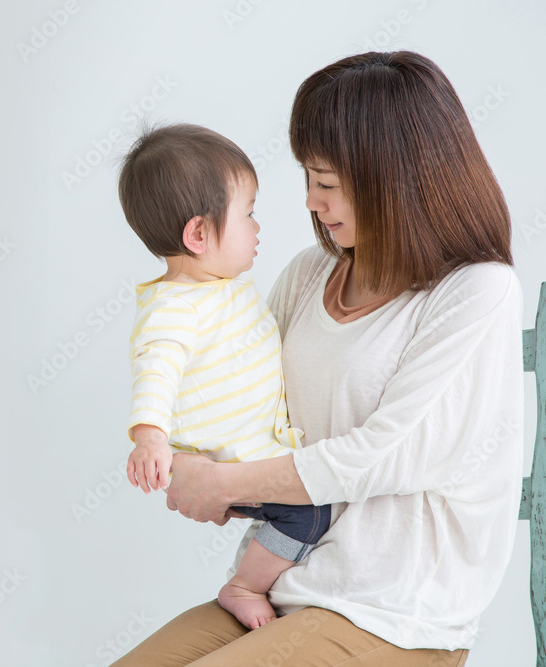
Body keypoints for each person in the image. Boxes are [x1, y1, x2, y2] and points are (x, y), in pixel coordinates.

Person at [111, 51, 524, 666]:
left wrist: (222, 483)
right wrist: (188, 459)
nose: (309, 201)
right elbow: (243, 393)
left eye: (326, 183)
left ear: (394, 177)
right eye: (307, 178)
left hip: (393, 616)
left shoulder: (476, 292)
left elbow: (382, 456)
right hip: (281, 590)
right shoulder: (311, 273)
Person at [117, 123, 333, 630]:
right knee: (310, 512)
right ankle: (244, 585)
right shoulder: (174, 308)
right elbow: (155, 372)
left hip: (255, 448)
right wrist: (150, 438)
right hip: (233, 459)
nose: (257, 227)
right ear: (198, 235)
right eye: (248, 213)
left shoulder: (220, 286)